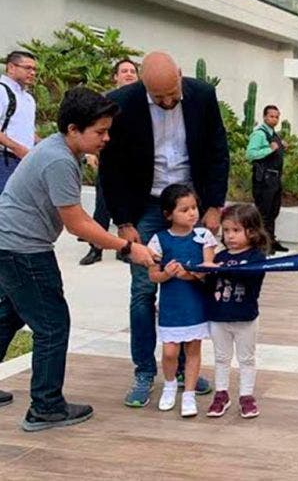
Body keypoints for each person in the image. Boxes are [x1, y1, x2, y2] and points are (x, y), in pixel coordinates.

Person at [0, 87, 158, 431]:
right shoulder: (59, 160)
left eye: (107, 130)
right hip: (23, 250)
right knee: (53, 325)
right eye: (99, 131)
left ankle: (44, 404)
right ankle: (45, 408)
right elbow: (79, 226)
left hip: (10, 245)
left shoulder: (58, 151)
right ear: (73, 129)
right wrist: (128, 248)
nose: (106, 138)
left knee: (10, 315)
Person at [99, 51, 229, 408]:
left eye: (172, 94)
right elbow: (110, 169)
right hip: (147, 207)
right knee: (144, 290)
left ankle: (186, 369)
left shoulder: (202, 95)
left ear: (181, 76)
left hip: (190, 204)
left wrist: (214, 206)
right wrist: (124, 222)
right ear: (143, 85)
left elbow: (219, 151)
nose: (168, 101)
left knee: (191, 282)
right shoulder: (121, 104)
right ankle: (144, 372)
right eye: (159, 98)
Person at [146, 184, 216, 417]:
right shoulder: (159, 239)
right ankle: (169, 385)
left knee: (194, 349)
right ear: (168, 214)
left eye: (194, 207)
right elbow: (152, 274)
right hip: (171, 306)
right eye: (184, 209)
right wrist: (167, 274)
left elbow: (207, 269)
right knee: (169, 352)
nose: (192, 213)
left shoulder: (204, 236)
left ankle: (189, 394)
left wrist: (190, 273)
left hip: (195, 303)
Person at [204, 204, 269, 419]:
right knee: (221, 358)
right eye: (226, 231)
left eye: (236, 230)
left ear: (251, 231)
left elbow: (252, 276)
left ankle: (246, 396)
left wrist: (221, 269)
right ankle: (221, 393)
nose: (230, 236)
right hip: (219, 316)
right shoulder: (219, 257)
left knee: (246, 358)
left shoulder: (257, 257)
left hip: (245, 318)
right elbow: (207, 283)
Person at [80, 58, 141, 266]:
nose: (129, 74)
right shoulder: (104, 100)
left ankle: (125, 248)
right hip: (109, 162)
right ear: (115, 76)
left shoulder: (144, 103)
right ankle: (95, 248)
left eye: (133, 71)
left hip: (134, 165)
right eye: (124, 71)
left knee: (130, 209)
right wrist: (91, 153)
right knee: (102, 206)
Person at [246, 104, 289, 254]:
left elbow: (276, 149)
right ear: (264, 117)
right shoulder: (259, 134)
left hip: (275, 179)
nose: (275, 119)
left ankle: (270, 240)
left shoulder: (274, 134)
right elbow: (250, 154)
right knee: (263, 212)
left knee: (273, 211)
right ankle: (261, 244)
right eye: (271, 116)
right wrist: (269, 149)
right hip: (264, 179)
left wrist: (281, 146)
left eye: (277, 117)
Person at [0, 51, 37, 193]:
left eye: (34, 69)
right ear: (11, 67)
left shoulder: (28, 98)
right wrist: (17, 148)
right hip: (5, 160)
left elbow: (28, 132)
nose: (32, 73)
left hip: (23, 161)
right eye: (27, 68)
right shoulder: (1, 91)